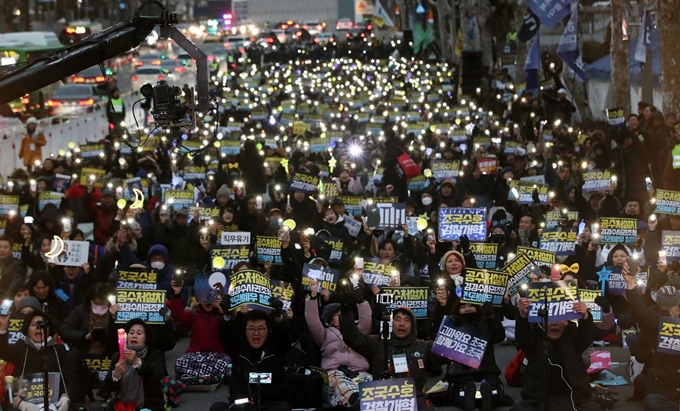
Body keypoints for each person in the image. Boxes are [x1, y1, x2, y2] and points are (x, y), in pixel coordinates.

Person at [339, 304, 439, 410]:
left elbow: (448, 352)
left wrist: (457, 326)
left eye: (407, 320)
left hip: (414, 396)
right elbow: (353, 337)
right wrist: (345, 313)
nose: (401, 324)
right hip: (381, 396)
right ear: (391, 323)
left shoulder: (423, 346)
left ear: (412, 325)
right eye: (397, 319)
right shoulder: (378, 343)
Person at [509, 297, 600, 411]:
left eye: (559, 319)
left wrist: (585, 317)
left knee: (594, 408)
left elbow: (587, 335)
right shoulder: (536, 337)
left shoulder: (574, 336)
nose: (555, 323)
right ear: (542, 321)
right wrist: (522, 317)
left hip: (573, 398)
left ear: (567, 321)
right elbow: (522, 339)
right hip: (539, 400)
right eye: (550, 319)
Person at [216, 299, 293, 411]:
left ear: (268, 330)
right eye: (251, 329)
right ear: (245, 331)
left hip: (271, 404)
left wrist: (278, 318)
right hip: (243, 404)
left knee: (284, 408)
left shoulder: (276, 347)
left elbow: (284, 336)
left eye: (261, 328)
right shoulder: (237, 348)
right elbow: (226, 335)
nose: (256, 333)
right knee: (217, 407)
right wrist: (227, 316)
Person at [305, 280, 372, 407]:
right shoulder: (324, 333)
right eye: (337, 314)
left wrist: (360, 300)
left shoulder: (356, 331)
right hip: (335, 371)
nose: (341, 316)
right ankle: (353, 402)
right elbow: (312, 321)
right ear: (330, 318)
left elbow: (367, 320)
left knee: (374, 384)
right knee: (340, 383)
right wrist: (313, 297)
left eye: (342, 313)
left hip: (359, 371)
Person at [0, 310, 84, 410]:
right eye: (34, 324)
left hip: (55, 404)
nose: (38, 327)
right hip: (24, 403)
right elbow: (3, 351)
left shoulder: (59, 350)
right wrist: (2, 328)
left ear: (49, 330)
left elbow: (71, 380)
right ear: (27, 329)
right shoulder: (21, 347)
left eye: (42, 324)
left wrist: (66, 397)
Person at [445, 302, 507, 411]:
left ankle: (486, 400)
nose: (467, 309)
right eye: (463, 307)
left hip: (486, 371)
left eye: (471, 306)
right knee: (460, 394)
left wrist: (491, 316)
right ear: (457, 310)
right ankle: (470, 401)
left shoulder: (486, 322)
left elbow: (499, 336)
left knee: (494, 392)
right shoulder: (453, 324)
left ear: (477, 308)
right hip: (462, 373)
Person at [168, 277, 231, 385]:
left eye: (211, 296)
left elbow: (232, 330)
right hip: (196, 354)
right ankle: (209, 377)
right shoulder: (194, 315)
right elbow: (177, 314)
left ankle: (197, 377)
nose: (207, 300)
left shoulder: (222, 316)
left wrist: (224, 312)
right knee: (180, 363)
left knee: (225, 364)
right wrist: (177, 293)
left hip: (218, 355)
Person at [99, 319, 167, 411]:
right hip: (122, 404)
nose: (134, 336)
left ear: (146, 338)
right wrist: (116, 374)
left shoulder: (155, 354)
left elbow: (156, 378)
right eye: (131, 333)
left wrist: (138, 363)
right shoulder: (118, 356)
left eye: (139, 334)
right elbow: (106, 388)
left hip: (148, 404)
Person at [59, 283, 118, 357]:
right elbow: (64, 330)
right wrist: (84, 336)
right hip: (83, 354)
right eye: (96, 303)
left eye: (102, 303)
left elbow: (122, 335)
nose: (99, 306)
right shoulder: (80, 310)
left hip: (109, 355)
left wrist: (113, 318)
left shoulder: (116, 311)